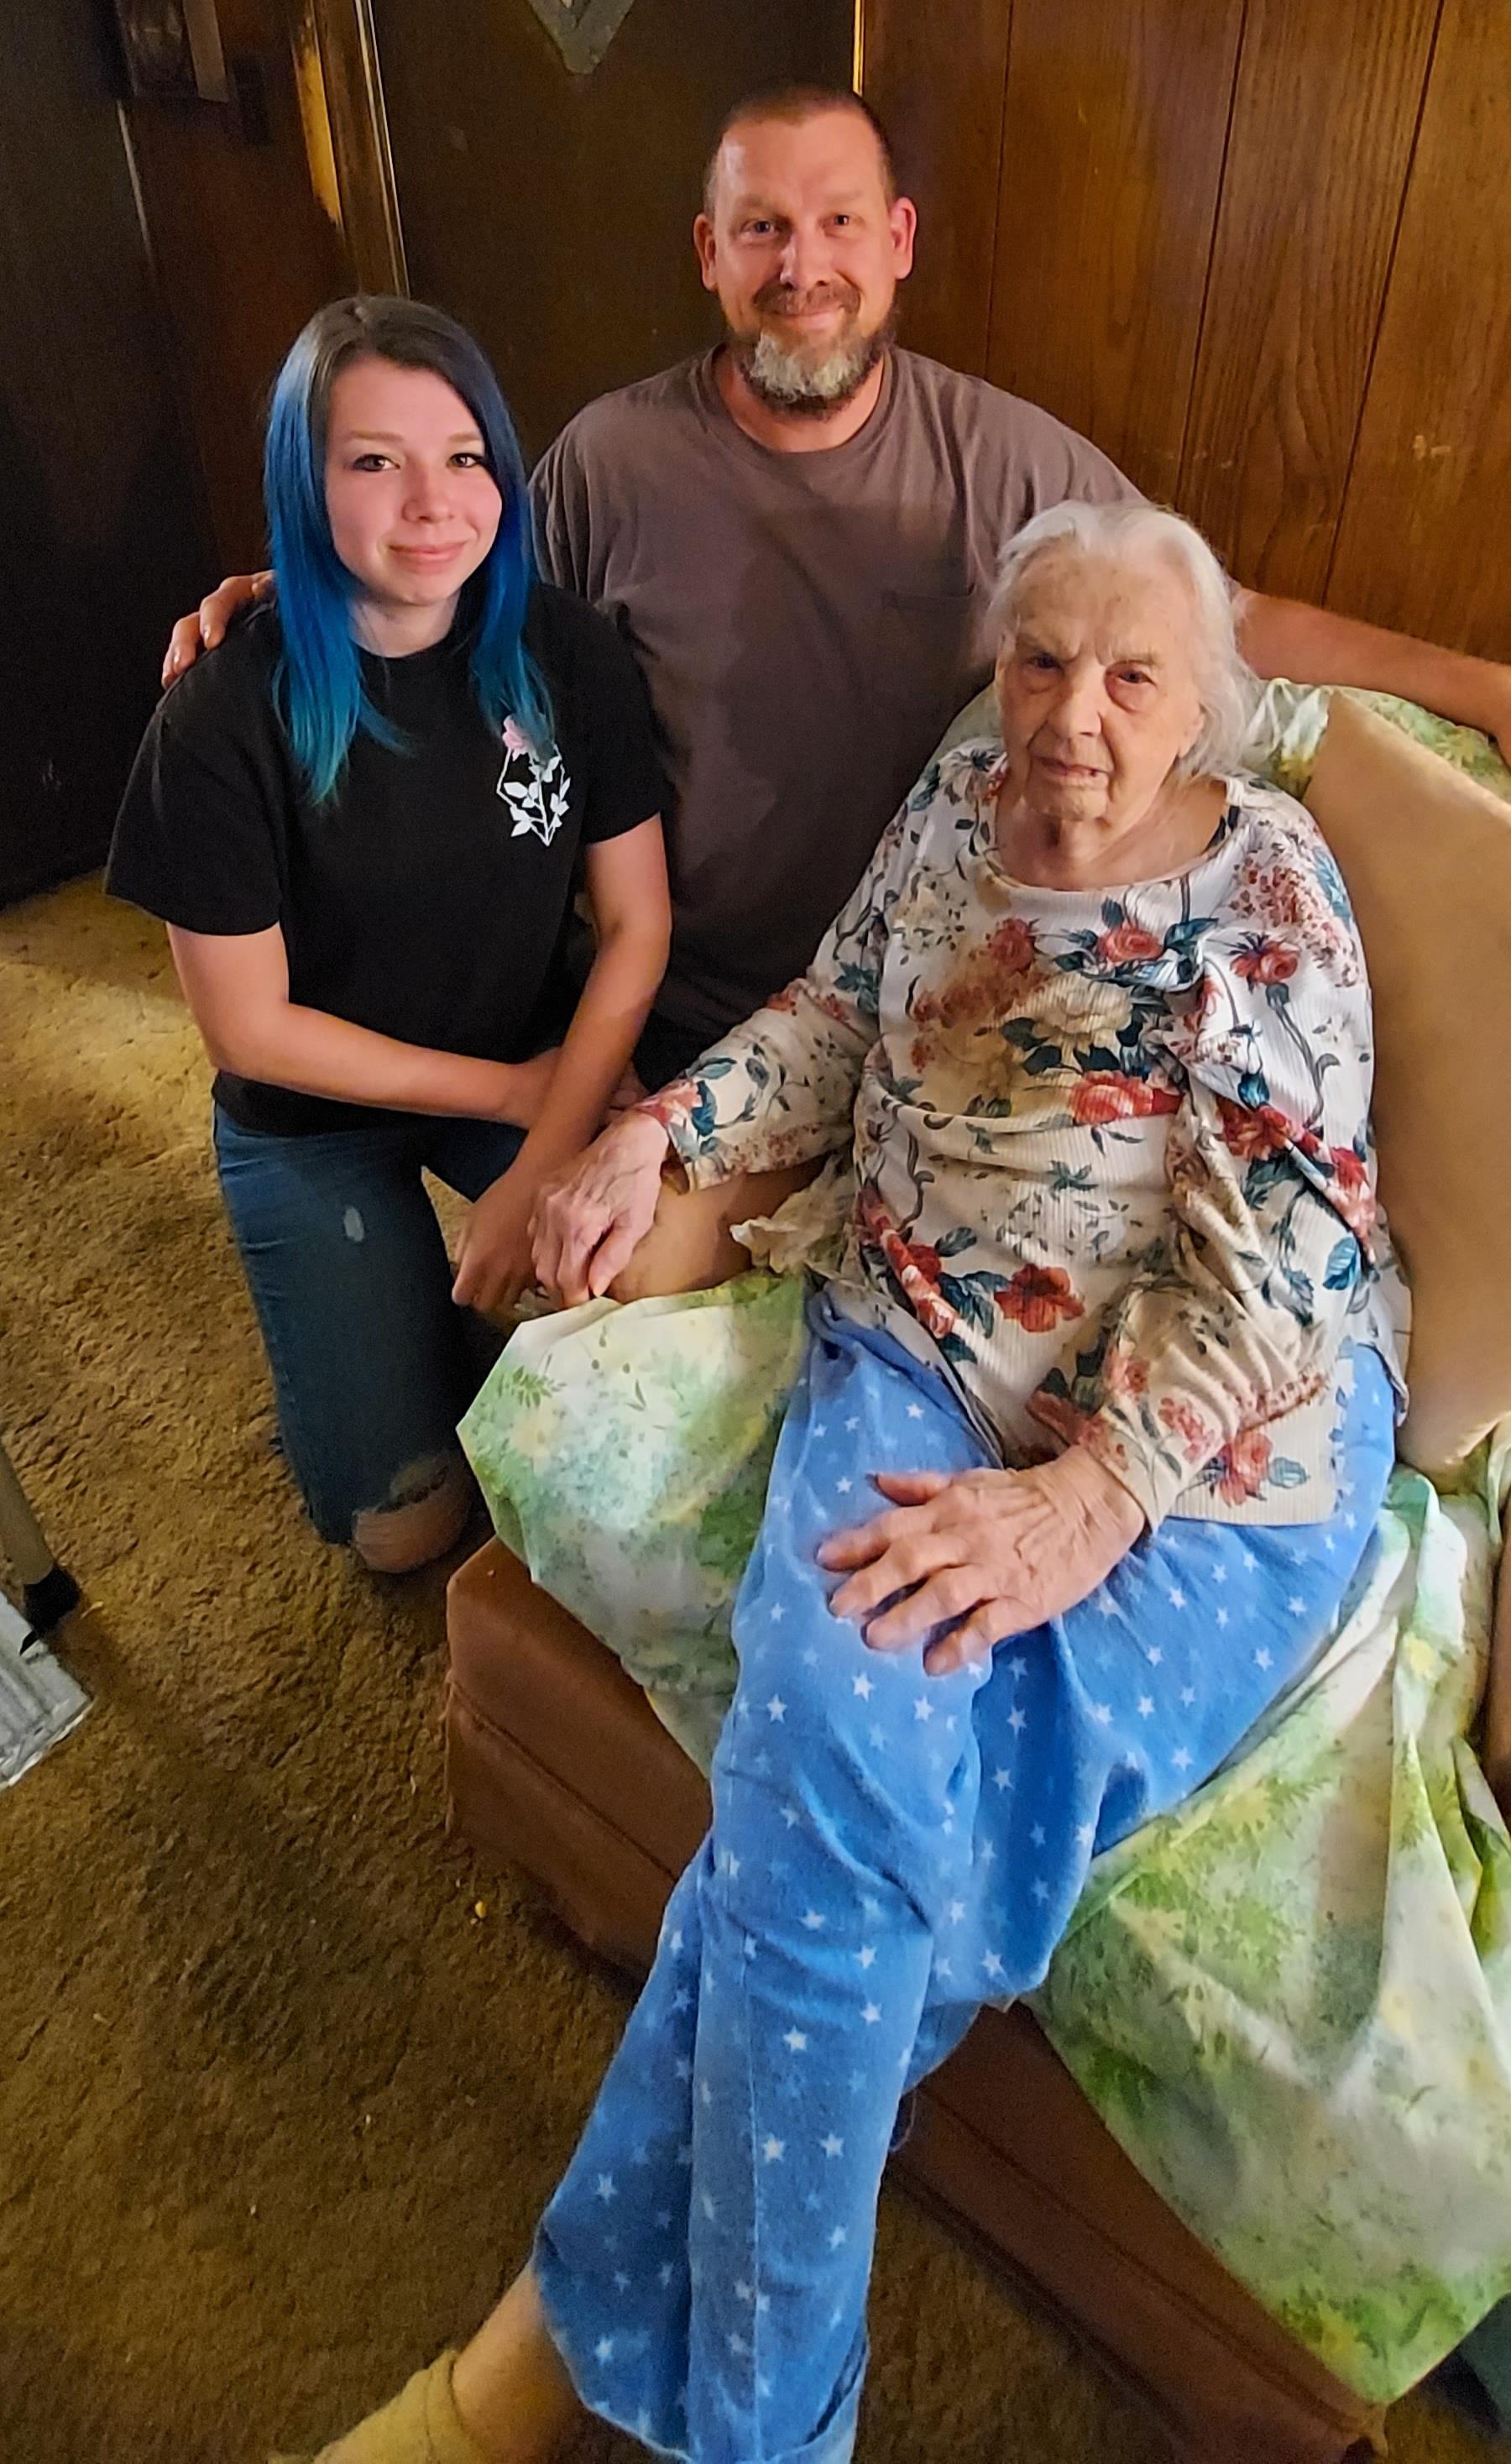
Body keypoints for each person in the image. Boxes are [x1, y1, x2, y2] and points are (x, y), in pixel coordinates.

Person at [274, 502, 1404, 2462]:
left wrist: (1091, 1500)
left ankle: (528, 2383)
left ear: (1208, 710)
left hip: (1214, 1451)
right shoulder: (955, 806)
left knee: (834, 1866)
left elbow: (1284, 1247)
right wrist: (658, 1137)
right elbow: (825, 1018)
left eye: (1133, 676)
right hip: (914, 1339)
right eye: (1041, 659)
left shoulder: (1272, 889)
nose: (1072, 714)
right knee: (842, 1829)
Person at [170, 86, 1511, 1096]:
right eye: (762, 228)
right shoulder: (611, 459)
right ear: (709, 250)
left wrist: (1485, 686)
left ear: (899, 240)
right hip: (681, 1008)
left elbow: (1229, 619)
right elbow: (461, 586)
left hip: (954, 995)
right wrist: (297, 581)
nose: (801, 267)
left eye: (837, 224)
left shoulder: (1011, 462)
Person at [108, 296, 669, 1572]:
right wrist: (520, 1103)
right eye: (375, 461)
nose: (434, 502)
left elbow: (636, 927)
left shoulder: (565, 651)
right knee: (407, 1533)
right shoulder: (215, 720)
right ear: (302, 487)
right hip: (316, 1113)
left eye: (464, 456)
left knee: (652, 1284)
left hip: (533, 1046)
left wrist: (547, 1148)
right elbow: (249, 1028)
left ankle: (439, 1292)